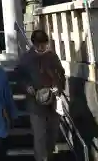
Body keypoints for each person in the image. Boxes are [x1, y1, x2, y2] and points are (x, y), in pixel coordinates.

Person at [15, 29, 65, 161]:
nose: (42, 47)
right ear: (33, 44)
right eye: (39, 45)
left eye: (44, 44)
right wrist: (26, 86)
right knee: (40, 135)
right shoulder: (26, 59)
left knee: (53, 134)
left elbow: (61, 75)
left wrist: (58, 86)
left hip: (53, 101)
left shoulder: (52, 57)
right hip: (35, 103)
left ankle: (49, 156)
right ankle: (41, 158)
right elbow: (19, 76)